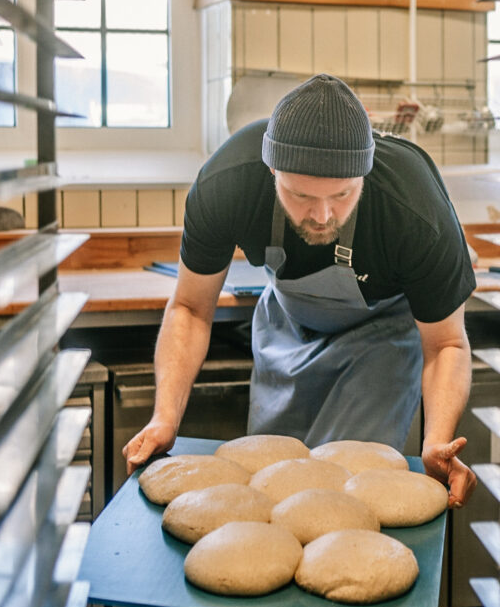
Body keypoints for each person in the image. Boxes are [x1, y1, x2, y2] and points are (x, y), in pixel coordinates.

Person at [123, 73, 478, 510]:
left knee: (348, 497)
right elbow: (190, 309)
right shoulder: (228, 182)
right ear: (272, 169)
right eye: (301, 195)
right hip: (286, 332)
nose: (323, 215)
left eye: (343, 194)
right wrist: (164, 418)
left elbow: (445, 345)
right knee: (272, 488)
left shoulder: (413, 207)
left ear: (365, 174)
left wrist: (437, 440)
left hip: (380, 346)